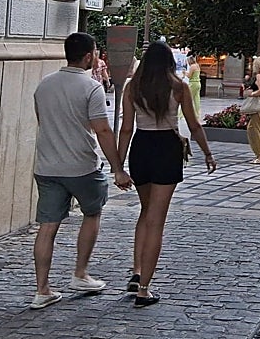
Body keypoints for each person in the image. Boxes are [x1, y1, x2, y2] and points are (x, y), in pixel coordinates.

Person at [30, 33, 132, 310]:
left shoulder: (44, 85)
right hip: (82, 166)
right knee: (92, 213)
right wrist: (117, 169)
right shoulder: (91, 87)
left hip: (48, 166)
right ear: (89, 56)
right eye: (96, 52)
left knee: (47, 227)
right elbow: (101, 129)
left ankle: (42, 290)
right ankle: (80, 274)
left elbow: (43, 122)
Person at [117, 42, 217, 306]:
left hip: (141, 146)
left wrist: (118, 165)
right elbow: (194, 124)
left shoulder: (133, 87)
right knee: (157, 220)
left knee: (145, 211)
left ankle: (137, 272)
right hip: (167, 148)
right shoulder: (178, 87)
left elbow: (126, 128)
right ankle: (144, 289)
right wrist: (207, 152)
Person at [183, 51, 202, 127]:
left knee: (187, 98)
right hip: (198, 83)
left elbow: (189, 76)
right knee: (196, 99)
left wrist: (184, 73)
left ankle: (182, 113)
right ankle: (197, 114)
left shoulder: (192, 67)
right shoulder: (197, 65)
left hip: (193, 83)